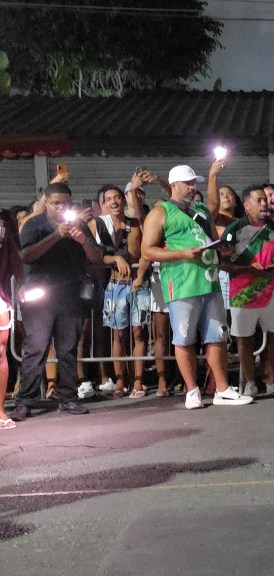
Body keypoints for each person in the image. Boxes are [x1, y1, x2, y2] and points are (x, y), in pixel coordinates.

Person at [141, 163, 253, 410]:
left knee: (217, 336)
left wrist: (222, 249)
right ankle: (192, 391)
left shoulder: (201, 210)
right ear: (174, 185)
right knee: (184, 338)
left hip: (209, 282)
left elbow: (212, 228)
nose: (193, 187)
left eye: (194, 183)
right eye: (188, 183)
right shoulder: (160, 213)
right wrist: (183, 253)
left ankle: (222, 389)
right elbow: (147, 251)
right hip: (182, 284)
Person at [12, 183, 104, 420]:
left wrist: (83, 241)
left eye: (66, 203)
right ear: (46, 202)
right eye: (56, 203)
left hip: (71, 296)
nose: (62, 208)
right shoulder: (35, 224)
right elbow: (25, 256)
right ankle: (25, 401)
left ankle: (68, 398)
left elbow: (97, 257)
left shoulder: (79, 225)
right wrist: (56, 236)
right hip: (40, 297)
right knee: (36, 348)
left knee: (68, 350)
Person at [220, 184, 274, 398]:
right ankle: (250, 383)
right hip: (242, 294)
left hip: (271, 291)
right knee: (245, 339)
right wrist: (247, 269)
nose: (264, 204)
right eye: (258, 200)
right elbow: (223, 263)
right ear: (246, 204)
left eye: (265, 200)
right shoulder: (234, 230)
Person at [90, 184, 148, 399]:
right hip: (115, 286)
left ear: (123, 200)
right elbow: (95, 255)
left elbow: (146, 250)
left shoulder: (136, 224)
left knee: (139, 332)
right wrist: (115, 258)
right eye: (108, 199)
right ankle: (120, 379)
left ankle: (138, 380)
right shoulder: (99, 225)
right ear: (103, 204)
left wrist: (140, 275)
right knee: (119, 334)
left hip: (138, 285)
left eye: (117, 197)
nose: (113, 202)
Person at [0, 208, 23, 428]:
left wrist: (22, 284)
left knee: (0, 351)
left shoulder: (4, 219)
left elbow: (14, 254)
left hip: (0, 294)